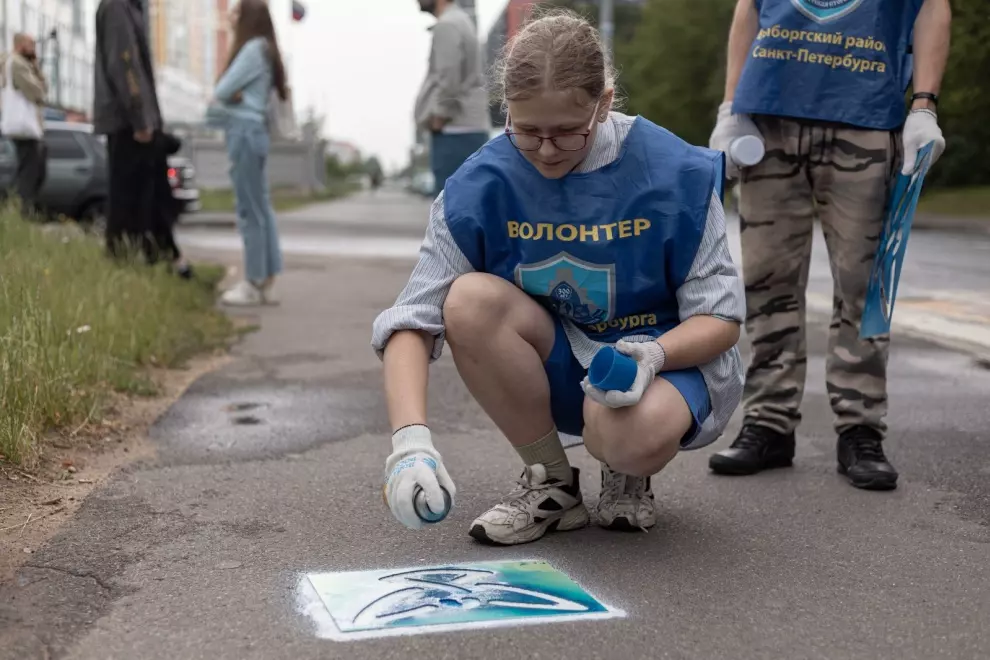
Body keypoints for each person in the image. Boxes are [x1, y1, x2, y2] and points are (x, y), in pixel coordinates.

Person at [373, 10, 745, 546]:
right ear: (507, 111)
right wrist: (409, 443)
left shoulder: (677, 174)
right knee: (468, 300)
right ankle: (550, 485)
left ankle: (627, 473)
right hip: (564, 360)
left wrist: (653, 355)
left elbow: (721, 318)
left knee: (626, 434)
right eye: (527, 132)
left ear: (605, 103)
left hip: (666, 365)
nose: (546, 152)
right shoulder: (480, 185)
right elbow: (412, 319)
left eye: (569, 134)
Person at [706, 0, 952, 491]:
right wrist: (731, 106)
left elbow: (931, 7)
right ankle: (770, 423)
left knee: (863, 284)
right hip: (769, 117)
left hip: (863, 113)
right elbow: (749, 9)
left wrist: (924, 104)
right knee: (767, 281)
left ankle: (860, 427)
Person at [94, 0, 190, 274]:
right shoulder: (117, 7)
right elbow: (124, 63)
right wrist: (140, 118)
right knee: (129, 201)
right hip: (129, 124)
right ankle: (127, 263)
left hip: (135, 122)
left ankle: (163, 257)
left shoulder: (128, 7)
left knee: (150, 196)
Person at [209, 0, 286, 307]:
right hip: (255, 133)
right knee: (261, 208)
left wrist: (233, 94)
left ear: (248, 18)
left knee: (249, 211)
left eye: (237, 12)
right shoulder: (265, 49)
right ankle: (265, 280)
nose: (231, 16)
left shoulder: (252, 49)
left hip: (243, 132)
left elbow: (223, 89)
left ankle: (253, 282)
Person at [414, 0, 491, 196]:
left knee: (449, 208)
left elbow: (448, 78)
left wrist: (439, 116)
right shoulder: (460, 21)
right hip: (466, 128)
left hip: (454, 130)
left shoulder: (448, 25)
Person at [1, 33, 48, 217]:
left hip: (22, 128)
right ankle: (24, 211)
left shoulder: (10, 63)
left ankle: (20, 207)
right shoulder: (18, 64)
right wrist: (36, 68)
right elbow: (37, 91)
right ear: (20, 45)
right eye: (31, 44)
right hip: (25, 128)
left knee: (32, 165)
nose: (34, 48)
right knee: (30, 170)